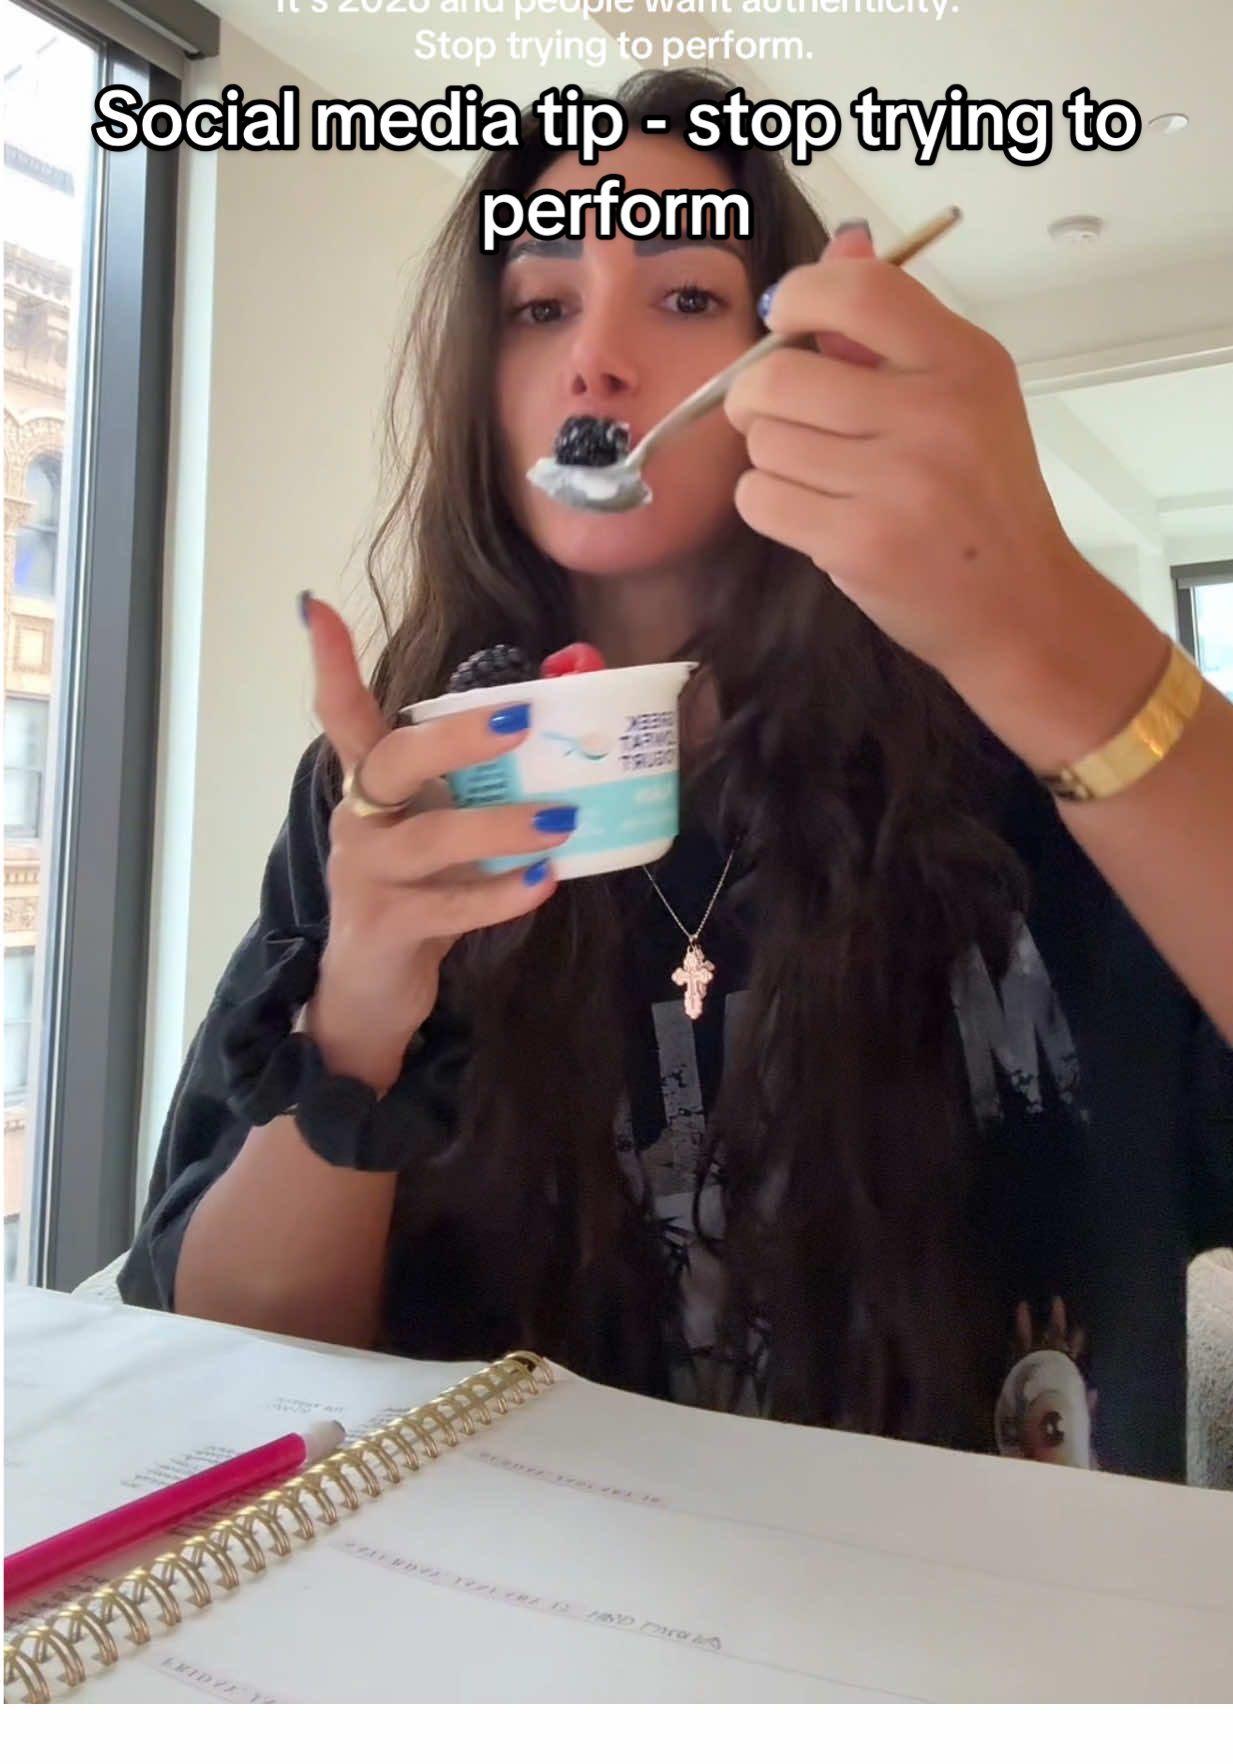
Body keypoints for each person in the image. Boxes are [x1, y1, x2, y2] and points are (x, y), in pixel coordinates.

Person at [120, 69, 1233, 1483]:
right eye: (539, 307)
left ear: (797, 362)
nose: (594, 359)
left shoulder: (1022, 751)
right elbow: (232, 1357)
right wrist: (362, 1016)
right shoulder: (397, 790)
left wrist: (1046, 628)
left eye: (688, 296)